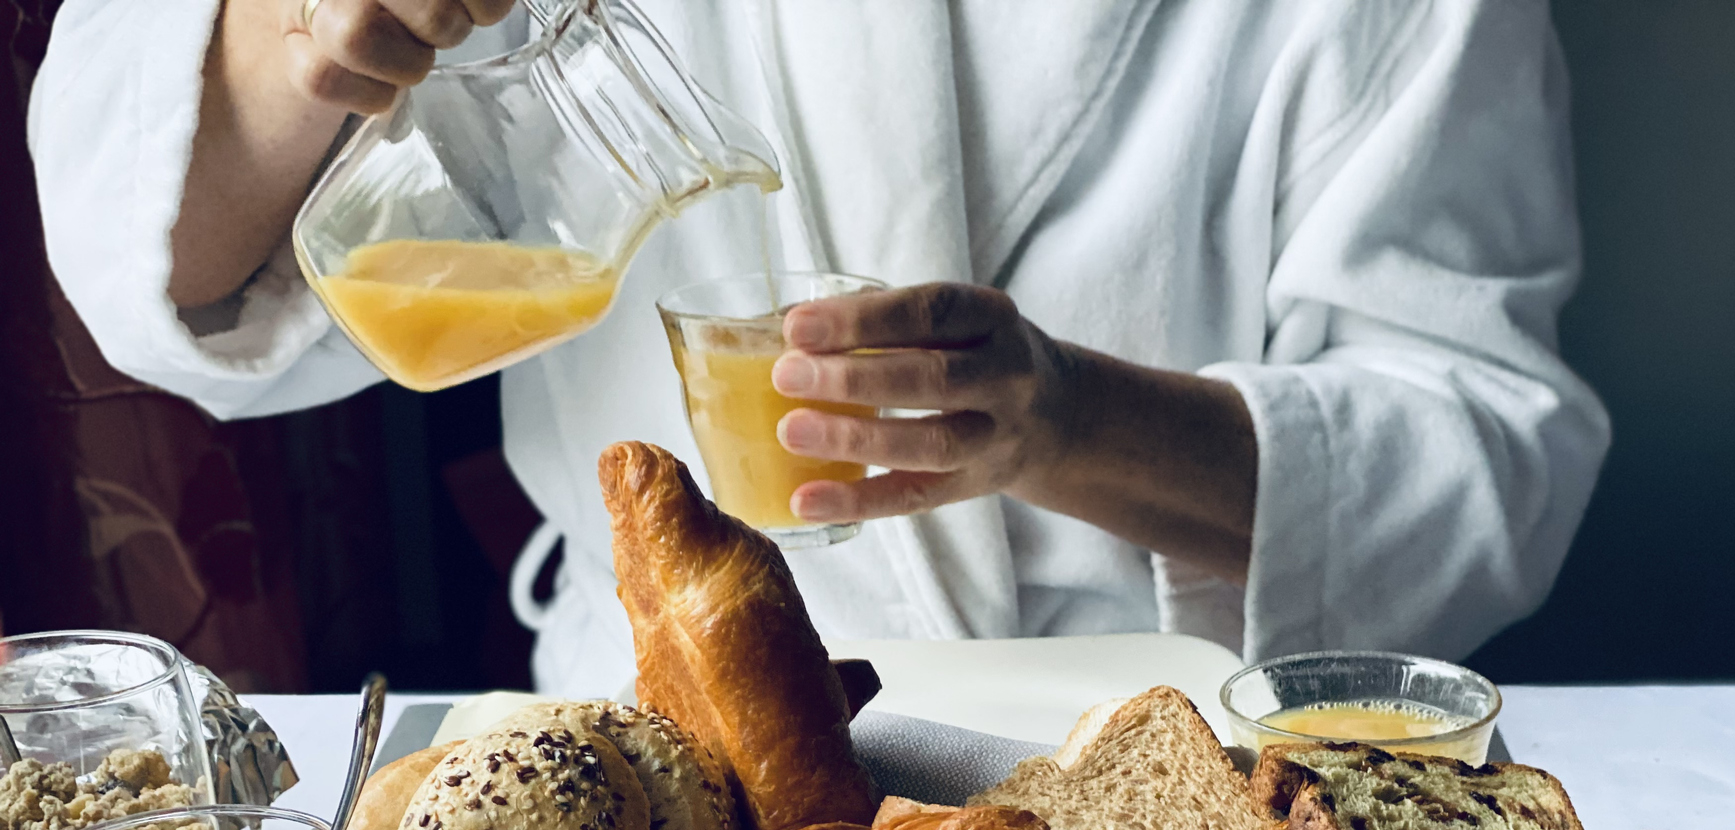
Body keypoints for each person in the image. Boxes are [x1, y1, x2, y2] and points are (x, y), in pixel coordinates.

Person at [28, 0, 1608, 696]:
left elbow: (1487, 462)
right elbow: (148, 267)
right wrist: (300, 37)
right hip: (659, 724)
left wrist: (1064, 424)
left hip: (1177, 766)